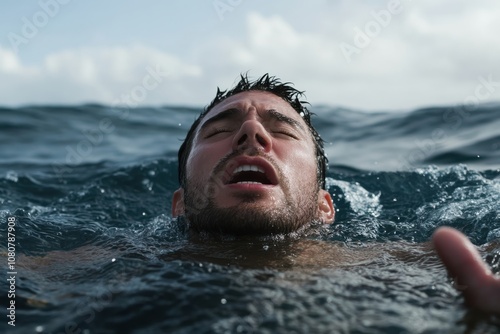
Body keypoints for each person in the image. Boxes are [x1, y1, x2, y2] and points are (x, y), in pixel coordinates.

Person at [171, 73, 500, 315]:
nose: (251, 132)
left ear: (324, 207)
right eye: (219, 131)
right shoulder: (123, 268)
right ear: (180, 204)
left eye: (283, 130)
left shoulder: (405, 267)